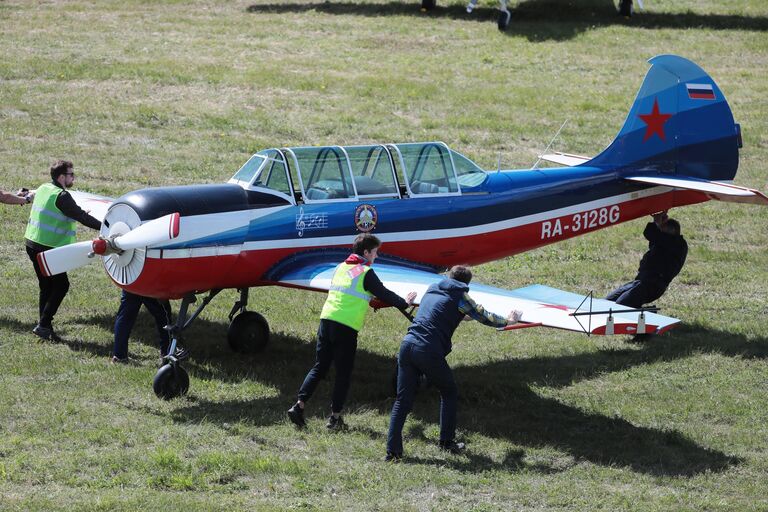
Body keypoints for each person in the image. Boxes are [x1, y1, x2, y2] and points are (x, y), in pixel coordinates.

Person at [385, 265, 522, 462]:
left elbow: (440, 311)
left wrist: (462, 315)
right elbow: (485, 316)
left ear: (449, 277)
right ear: (466, 283)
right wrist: (509, 320)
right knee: (448, 391)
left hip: (407, 345)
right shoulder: (461, 296)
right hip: (428, 350)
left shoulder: (432, 288)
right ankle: (446, 442)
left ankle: (393, 452)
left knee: (402, 400)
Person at [287, 233, 416, 430]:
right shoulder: (366, 272)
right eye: (375, 252)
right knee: (343, 373)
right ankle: (335, 418)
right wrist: (404, 302)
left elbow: (354, 291)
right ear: (365, 252)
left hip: (326, 320)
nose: (377, 256)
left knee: (319, 366)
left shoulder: (341, 267)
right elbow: (383, 293)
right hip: (345, 327)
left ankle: (299, 406)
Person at [25, 160, 101, 341]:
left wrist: (77, 211)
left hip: (32, 243)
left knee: (46, 286)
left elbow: (67, 212)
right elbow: (81, 217)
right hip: (48, 249)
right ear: (61, 177)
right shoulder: (62, 196)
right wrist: (106, 226)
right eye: (71, 174)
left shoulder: (44, 188)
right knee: (61, 285)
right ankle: (43, 325)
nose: (73, 177)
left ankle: (45, 327)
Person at [605, 211, 688, 308]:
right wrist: (659, 223)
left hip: (652, 285)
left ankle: (645, 314)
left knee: (621, 306)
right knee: (607, 302)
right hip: (640, 282)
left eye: (662, 230)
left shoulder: (677, 245)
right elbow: (652, 234)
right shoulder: (665, 243)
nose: (659, 232)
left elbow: (650, 233)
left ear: (671, 231)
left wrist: (657, 222)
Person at [111, 290, 173, 364]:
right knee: (164, 315)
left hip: (132, 282)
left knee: (125, 317)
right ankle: (167, 353)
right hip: (150, 284)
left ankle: (119, 356)